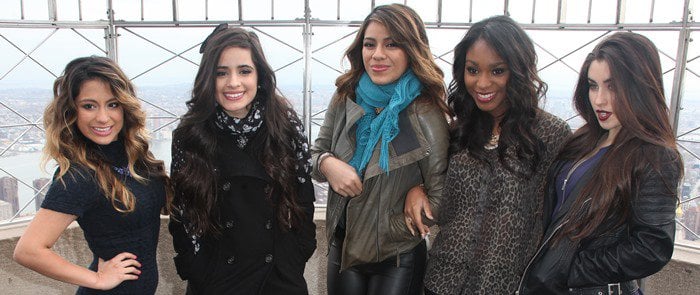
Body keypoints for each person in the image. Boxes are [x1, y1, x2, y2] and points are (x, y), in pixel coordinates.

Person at [405, 15, 572, 295]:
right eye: (473, 70)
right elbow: (442, 205)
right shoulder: (455, 133)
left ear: (518, 71)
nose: (482, 83)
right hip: (441, 282)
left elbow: (561, 221)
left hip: (509, 286)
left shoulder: (551, 134)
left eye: (497, 71)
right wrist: (418, 189)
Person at [516, 32, 683, 295]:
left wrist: (568, 269)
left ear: (639, 88)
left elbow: (652, 248)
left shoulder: (655, 155)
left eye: (612, 86)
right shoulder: (586, 138)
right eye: (593, 85)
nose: (599, 99)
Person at [310, 4, 450, 295]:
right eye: (369, 44)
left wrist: (393, 226)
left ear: (412, 50)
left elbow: (442, 196)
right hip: (343, 245)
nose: (377, 55)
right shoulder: (345, 97)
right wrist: (327, 163)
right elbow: (313, 154)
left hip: (396, 256)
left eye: (392, 44)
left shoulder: (423, 111)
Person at [168, 25, 316, 294]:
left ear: (259, 76)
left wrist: (295, 257)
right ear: (207, 79)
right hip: (216, 279)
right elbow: (182, 211)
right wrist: (195, 266)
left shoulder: (284, 125)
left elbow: (302, 198)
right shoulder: (191, 133)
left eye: (244, 71)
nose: (233, 82)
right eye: (221, 73)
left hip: (278, 278)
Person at [13, 56, 172, 294]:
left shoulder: (137, 158)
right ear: (72, 112)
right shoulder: (79, 176)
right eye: (89, 106)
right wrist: (97, 279)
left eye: (112, 104)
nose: (103, 117)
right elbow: (28, 250)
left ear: (125, 107)